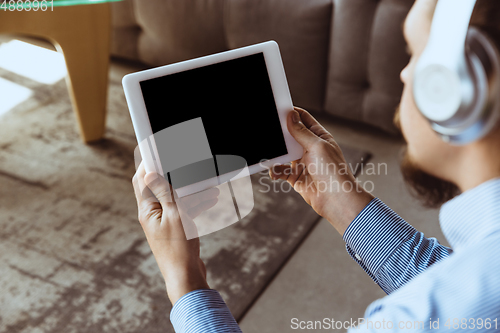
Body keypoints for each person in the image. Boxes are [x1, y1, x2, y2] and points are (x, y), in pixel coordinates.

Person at [131, 0, 500, 331]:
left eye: (414, 53)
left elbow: (447, 304)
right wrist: (340, 199)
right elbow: (461, 283)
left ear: (462, 93)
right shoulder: (471, 282)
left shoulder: (409, 321)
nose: (404, 75)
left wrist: (185, 283)